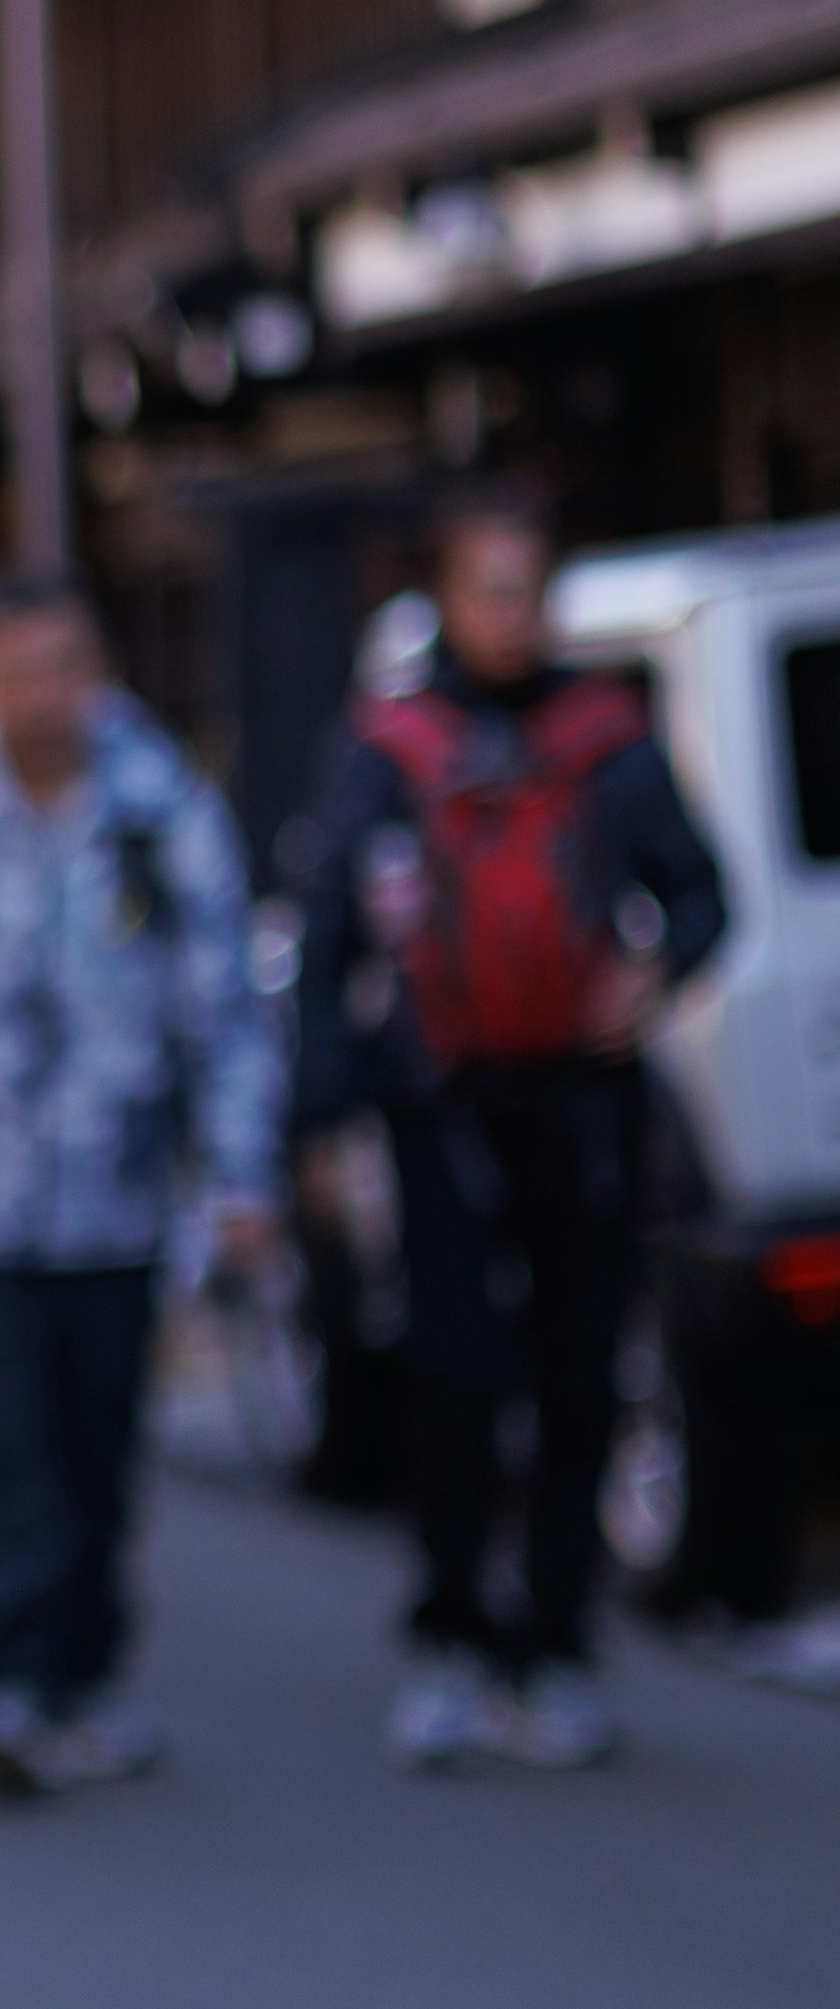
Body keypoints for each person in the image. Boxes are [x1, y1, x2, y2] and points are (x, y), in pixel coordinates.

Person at [0, 576, 282, 1797]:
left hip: (117, 1204)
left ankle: (85, 1674)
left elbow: (224, 1009)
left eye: (62, 666)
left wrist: (242, 1173)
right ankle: (4, 1685)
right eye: (13, 669)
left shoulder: (160, 811)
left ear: (102, 672)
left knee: (95, 1456)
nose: (39, 695)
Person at [292, 481, 726, 1774]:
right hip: (439, 1106)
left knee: (582, 1379)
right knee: (456, 1375)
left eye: (530, 590)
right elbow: (325, 936)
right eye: (489, 589)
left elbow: (699, 898)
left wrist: (649, 977)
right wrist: (319, 1114)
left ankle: (556, 1643)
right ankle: (450, 1637)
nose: (511, 615)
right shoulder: (388, 747)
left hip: (583, 1105)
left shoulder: (606, 742)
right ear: (446, 599)